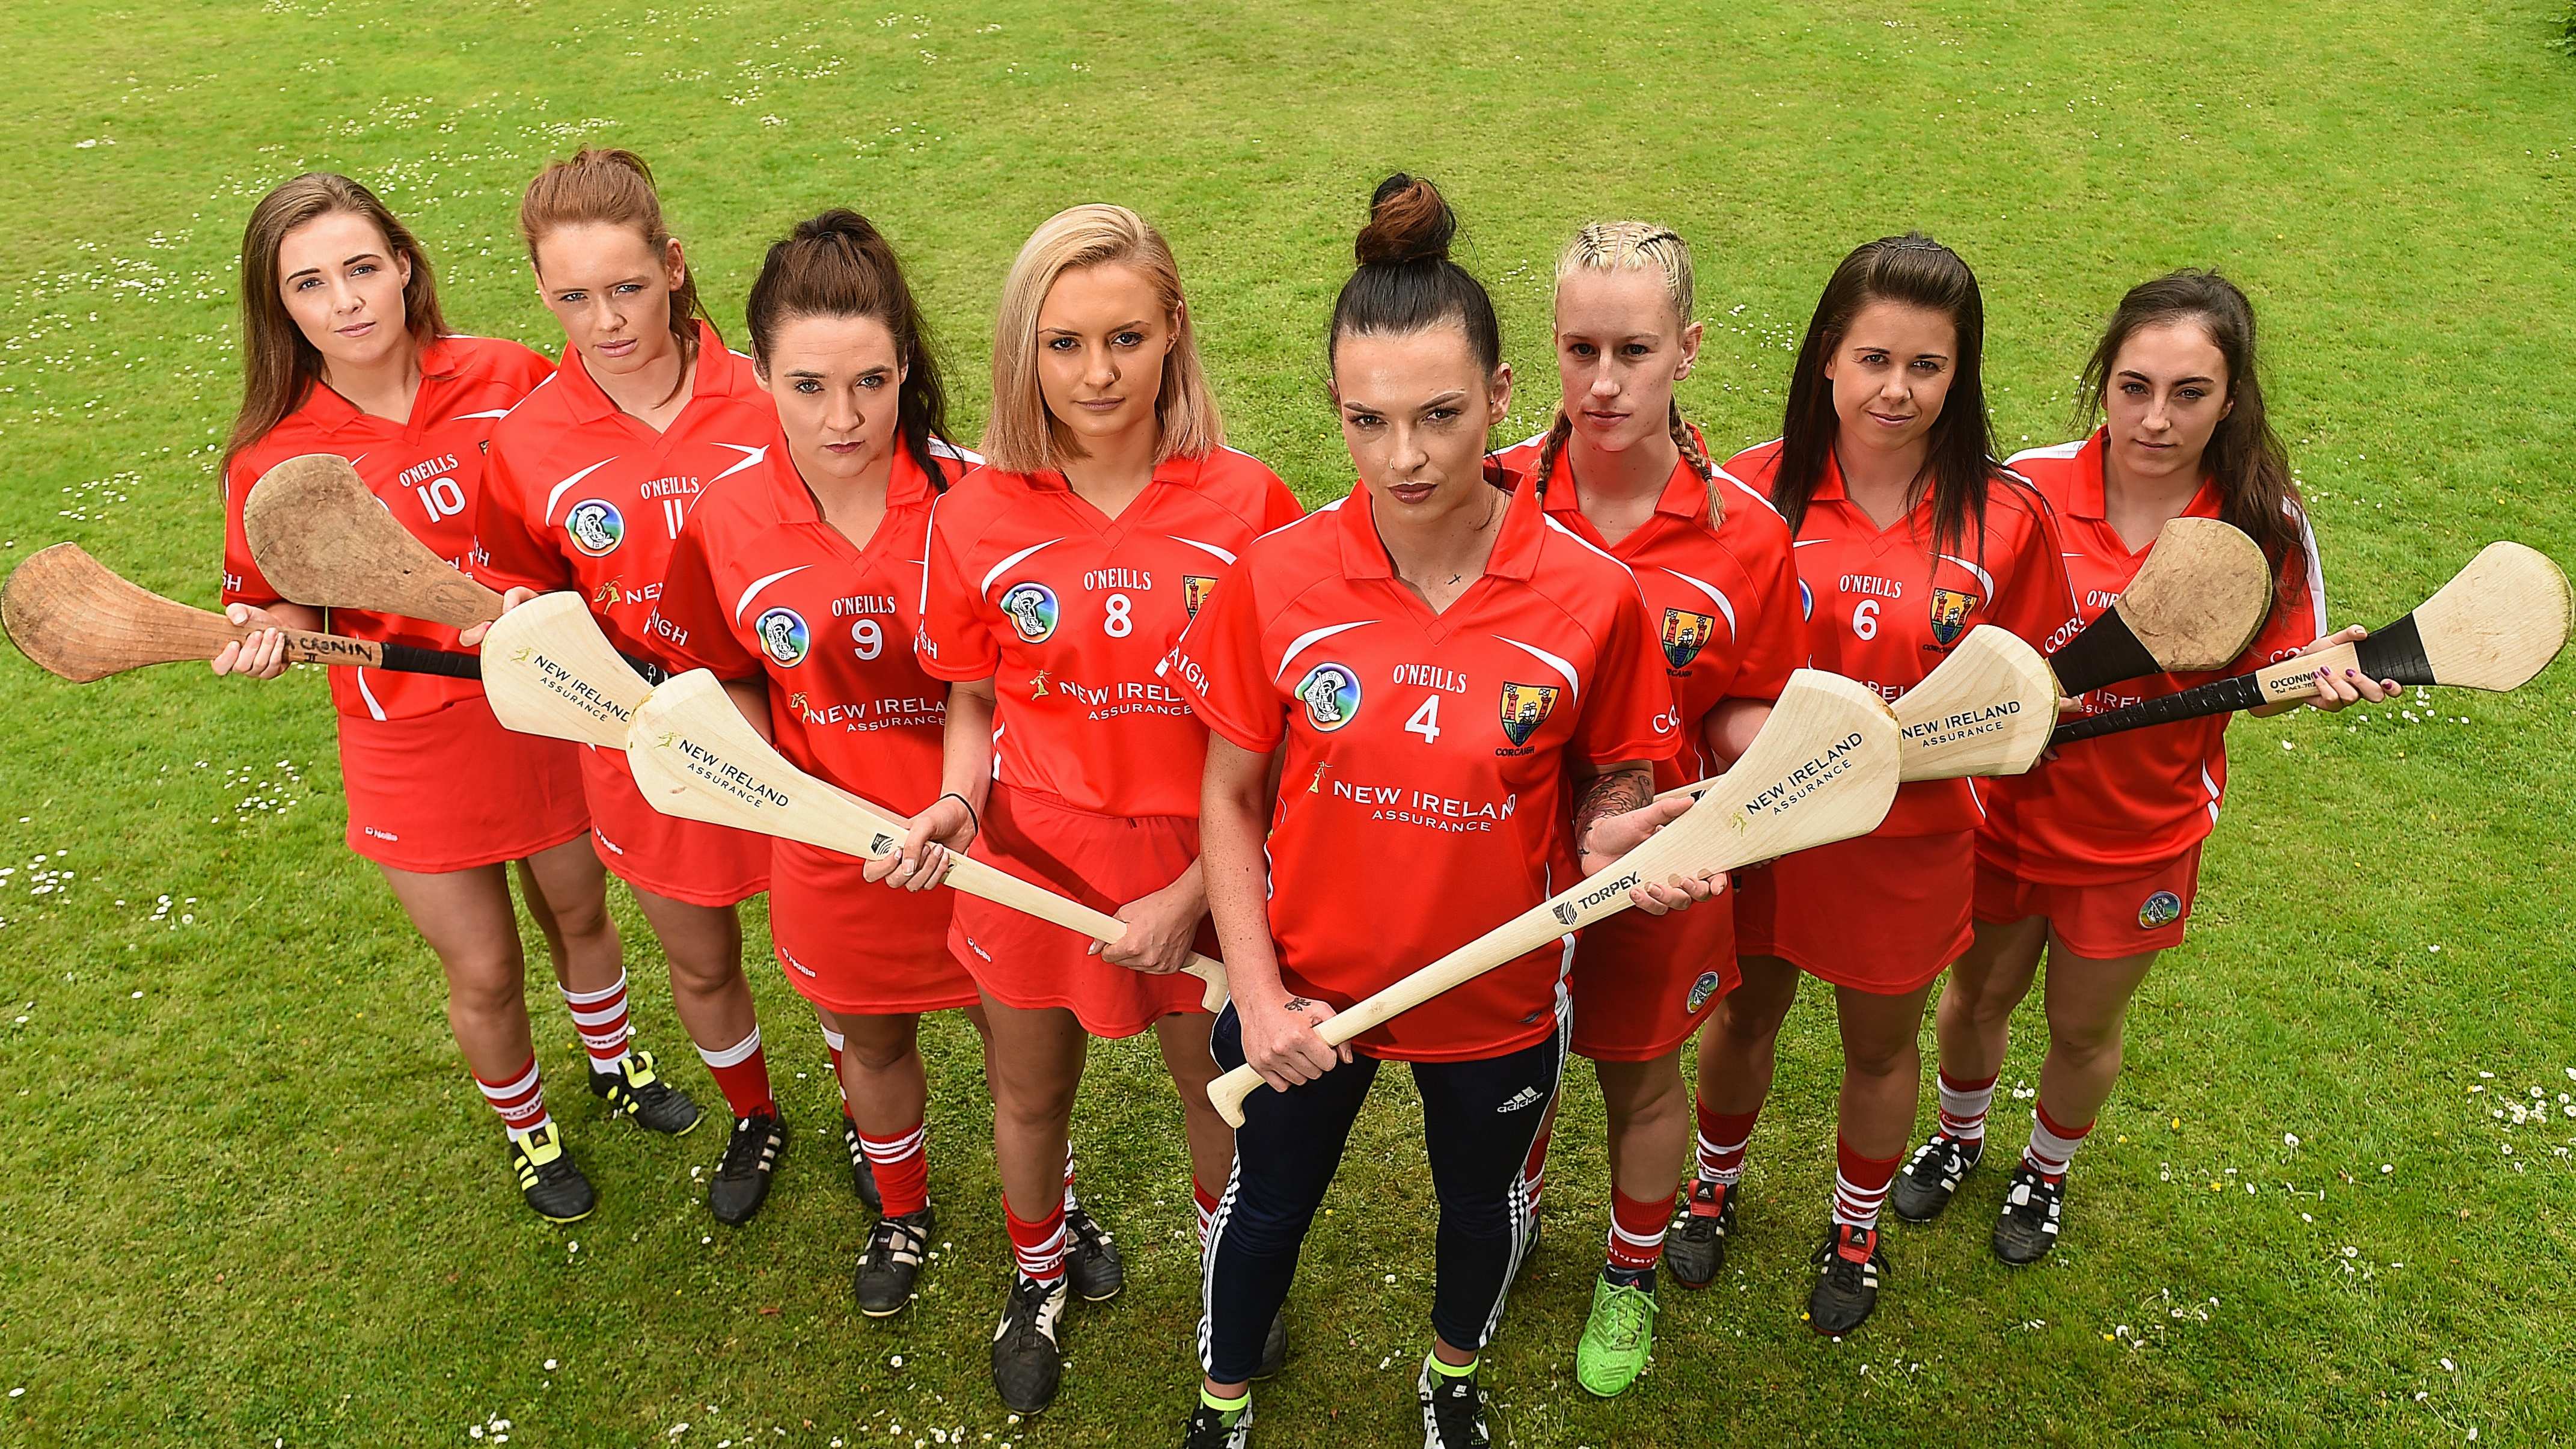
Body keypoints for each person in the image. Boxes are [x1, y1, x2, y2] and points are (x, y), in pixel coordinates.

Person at [1170, 174, 1712, 1449]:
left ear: (1505, 396)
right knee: (1266, 1211)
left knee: (1477, 1209)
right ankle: (1220, 1401)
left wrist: (1616, 838)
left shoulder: (1593, 596)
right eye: (1368, 420)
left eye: (1441, 414)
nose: (1405, 456)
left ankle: (1451, 1377)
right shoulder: (1278, 579)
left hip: (1495, 994)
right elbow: (1228, 792)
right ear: (1335, 412)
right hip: (1310, 991)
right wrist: (1254, 989)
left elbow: (1614, 781)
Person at [889, 203, 1303, 1414]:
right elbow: (972, 698)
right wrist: (962, 802)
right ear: (1026, 352)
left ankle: (1235, 1283)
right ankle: (1037, 1268)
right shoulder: (973, 511)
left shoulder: (1250, 505)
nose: (1097, 372)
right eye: (1063, 344)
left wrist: (1191, 895)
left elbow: (1272, 743)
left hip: (1201, 865)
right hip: (1033, 860)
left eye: (1125, 336)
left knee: (1212, 1088)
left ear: (1174, 330)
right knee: (1028, 1092)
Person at [215, 172, 682, 1224]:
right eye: (310, 283)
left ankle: (615, 1062)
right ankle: (530, 1130)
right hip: (411, 743)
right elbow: (279, 606)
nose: (346, 301)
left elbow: (584, 509)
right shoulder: (273, 458)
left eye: (363, 268)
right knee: (483, 965)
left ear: (406, 266)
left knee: (579, 908)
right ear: (279, 306)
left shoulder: (508, 373)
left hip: (549, 703)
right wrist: (265, 641)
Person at [1892, 269, 2380, 1261]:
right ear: (2101, 382)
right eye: (2133, 387)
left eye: (2189, 393)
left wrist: (2312, 676)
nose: (2155, 418)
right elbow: (1953, 636)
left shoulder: (2260, 521)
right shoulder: (2024, 487)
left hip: (2139, 836)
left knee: (2079, 1028)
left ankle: (2043, 1170)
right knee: (1976, 996)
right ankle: (1955, 1136)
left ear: (2231, 398)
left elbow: (2277, 664)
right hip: (2002, 814)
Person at [1678, 233, 2078, 1337]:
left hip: (1908, 845)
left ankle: (1854, 1222)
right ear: (1824, 358)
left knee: (1879, 1044)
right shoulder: (1744, 492)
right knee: (1742, 1013)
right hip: (1759, 823)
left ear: (1961, 373)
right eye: (1872, 359)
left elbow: (2025, 690)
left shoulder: (2005, 517)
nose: (1896, 391)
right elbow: (1693, 663)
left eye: (1926, 366)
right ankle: (1712, 1182)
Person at [649, 209, 997, 1313]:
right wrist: (773, 778)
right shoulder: (723, 518)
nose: (841, 417)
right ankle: (902, 1213)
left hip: (982, 843)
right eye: (806, 385)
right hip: (829, 860)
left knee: (1022, 1057)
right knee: (873, 1051)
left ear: (907, 363)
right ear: (756, 367)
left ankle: (1055, 1206)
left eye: (871, 382)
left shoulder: (979, 500)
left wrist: (955, 802)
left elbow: (1000, 693)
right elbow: (720, 671)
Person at [1492, 221, 1800, 1397]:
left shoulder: (1748, 537)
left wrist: (1749, 766)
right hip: (1506, 859)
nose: (1604, 381)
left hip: (1658, 867)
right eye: (1579, 349)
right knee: (1511, 1073)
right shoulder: (1493, 498)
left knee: (1642, 1077)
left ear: (1688, 348)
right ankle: (1509, 1226)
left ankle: (1627, 1270)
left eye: (1633, 347)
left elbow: (1747, 707)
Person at [463, 149, 784, 1225]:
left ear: (677, 266)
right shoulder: (527, 439)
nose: (604, 320)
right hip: (641, 741)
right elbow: (523, 582)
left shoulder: (774, 393)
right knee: (700, 964)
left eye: (627, 287)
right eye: (572, 297)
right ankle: (755, 1112)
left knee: (838, 953)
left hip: (797, 727)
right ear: (544, 294)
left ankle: (874, 1114)